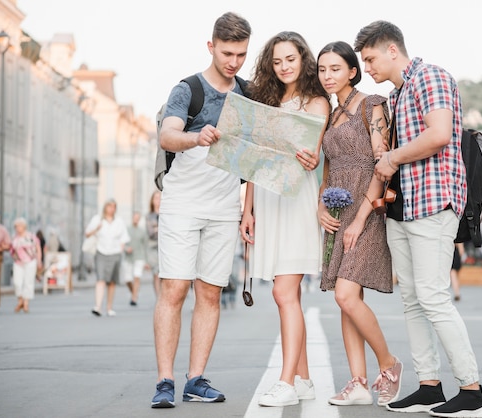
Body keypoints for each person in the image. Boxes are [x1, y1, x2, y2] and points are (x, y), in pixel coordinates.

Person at [354, 21, 482, 417]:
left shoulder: (430, 77)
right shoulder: (396, 95)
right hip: (403, 208)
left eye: (371, 59)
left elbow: (440, 134)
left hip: (432, 204)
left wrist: (392, 157)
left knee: (433, 297)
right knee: (413, 300)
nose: (368, 68)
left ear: (392, 50)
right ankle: (429, 386)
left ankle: (472, 391)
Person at [151, 12, 252, 409]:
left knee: (209, 293)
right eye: (227, 53)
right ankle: (164, 381)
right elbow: (167, 135)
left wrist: (248, 210)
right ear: (211, 46)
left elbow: (256, 157)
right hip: (182, 203)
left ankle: (195, 379)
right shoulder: (187, 89)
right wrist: (195, 137)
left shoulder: (247, 92)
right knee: (174, 289)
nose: (234, 62)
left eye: (241, 54)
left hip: (225, 204)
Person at [239, 31, 329, 407]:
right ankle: (304, 379)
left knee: (282, 292)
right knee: (284, 295)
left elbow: (314, 154)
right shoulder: (266, 101)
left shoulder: (317, 102)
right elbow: (253, 161)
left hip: (297, 199)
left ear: (303, 59)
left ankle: (287, 381)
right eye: (276, 62)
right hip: (269, 200)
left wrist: (312, 157)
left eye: (290, 59)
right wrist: (247, 210)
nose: (284, 67)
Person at [316, 41, 402, 407]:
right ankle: (358, 383)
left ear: (352, 71)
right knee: (347, 301)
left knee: (346, 295)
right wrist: (322, 204)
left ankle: (389, 364)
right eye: (322, 70)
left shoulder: (373, 106)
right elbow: (329, 167)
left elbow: (382, 166)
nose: (327, 76)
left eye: (335, 68)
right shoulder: (330, 116)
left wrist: (361, 218)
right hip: (338, 212)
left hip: (367, 211)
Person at [85, 199, 130, 317]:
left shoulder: (119, 221)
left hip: (115, 253)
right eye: (109, 206)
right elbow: (87, 233)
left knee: (112, 282)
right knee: (100, 279)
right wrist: (97, 229)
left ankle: (109, 308)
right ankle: (98, 307)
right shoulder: (97, 219)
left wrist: (120, 249)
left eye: (114, 207)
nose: (111, 209)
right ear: (105, 207)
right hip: (101, 252)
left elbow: (124, 237)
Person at [10, 218, 42, 313]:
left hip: (30, 261)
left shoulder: (31, 236)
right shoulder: (14, 238)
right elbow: (11, 250)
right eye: (16, 226)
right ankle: (20, 300)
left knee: (28, 282)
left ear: (24, 226)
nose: (17, 228)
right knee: (17, 282)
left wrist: (39, 261)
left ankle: (26, 303)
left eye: (19, 226)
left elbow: (38, 248)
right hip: (18, 262)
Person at [123, 212, 147, 306]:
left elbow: (145, 246)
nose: (136, 219)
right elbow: (122, 243)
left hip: (139, 257)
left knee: (137, 277)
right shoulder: (127, 229)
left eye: (138, 218)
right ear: (132, 218)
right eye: (135, 217)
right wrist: (126, 248)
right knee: (127, 279)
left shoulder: (142, 231)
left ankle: (134, 298)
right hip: (128, 257)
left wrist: (146, 261)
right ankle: (135, 291)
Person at [146, 191, 161, 297]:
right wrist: (158, 229)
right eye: (156, 198)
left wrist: (156, 228)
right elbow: (150, 232)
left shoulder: (167, 213)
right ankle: (158, 297)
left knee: (164, 274)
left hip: (165, 247)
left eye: (160, 198)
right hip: (153, 247)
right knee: (156, 273)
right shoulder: (149, 216)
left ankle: (164, 296)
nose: (158, 200)